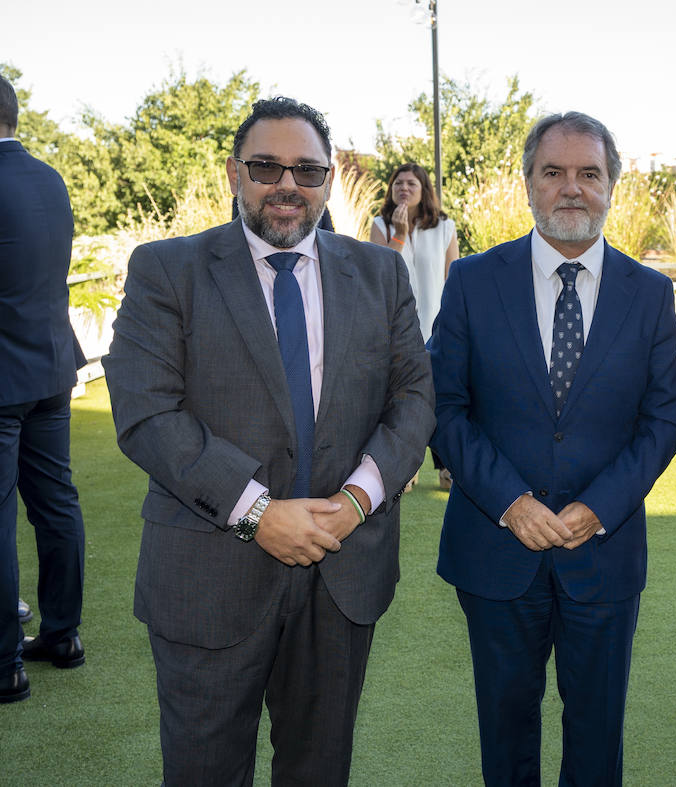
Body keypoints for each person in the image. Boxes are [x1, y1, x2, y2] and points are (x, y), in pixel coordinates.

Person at [105, 97, 434, 785]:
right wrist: (258, 512)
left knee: (319, 771)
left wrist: (355, 501)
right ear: (235, 174)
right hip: (208, 578)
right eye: (266, 167)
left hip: (343, 575)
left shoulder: (380, 274)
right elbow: (147, 413)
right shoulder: (167, 270)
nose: (288, 185)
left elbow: (414, 398)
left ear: (328, 180)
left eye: (307, 170)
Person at [429, 111, 676, 785]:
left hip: (604, 555)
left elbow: (664, 420)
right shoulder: (473, 281)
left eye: (588, 173)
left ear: (611, 186)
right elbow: (444, 407)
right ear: (528, 184)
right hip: (496, 552)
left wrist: (599, 507)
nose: (572, 187)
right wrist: (510, 502)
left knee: (598, 740)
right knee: (505, 735)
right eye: (554, 172)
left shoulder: (651, 293)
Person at [0, 74, 87, 704]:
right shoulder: (50, 179)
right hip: (51, 368)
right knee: (56, 504)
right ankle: (62, 635)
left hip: (5, 379)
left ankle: (5, 663)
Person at [371, 162, 459, 490]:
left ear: (424, 191)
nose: (404, 189)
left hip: (437, 327)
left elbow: (454, 278)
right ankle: (405, 468)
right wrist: (399, 235)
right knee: (401, 400)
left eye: (411, 184)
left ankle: (447, 465)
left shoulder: (445, 227)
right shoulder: (380, 224)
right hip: (396, 329)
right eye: (398, 183)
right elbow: (378, 275)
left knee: (441, 397)